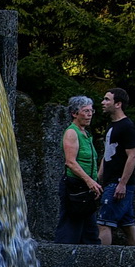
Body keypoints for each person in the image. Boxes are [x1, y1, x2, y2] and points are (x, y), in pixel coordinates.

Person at [96, 88, 135, 245]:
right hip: (110, 181)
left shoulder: (127, 126)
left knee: (103, 223)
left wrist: (122, 183)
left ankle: (101, 259)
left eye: (107, 99)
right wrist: (98, 178)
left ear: (118, 104)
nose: (103, 102)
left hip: (118, 184)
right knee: (128, 225)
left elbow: (132, 156)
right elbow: (107, 154)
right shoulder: (111, 126)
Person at [54, 95, 101, 244]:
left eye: (91, 111)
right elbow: (70, 162)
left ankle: (91, 254)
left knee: (90, 230)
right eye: (85, 111)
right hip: (75, 186)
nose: (89, 114)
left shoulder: (85, 134)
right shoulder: (72, 133)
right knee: (70, 227)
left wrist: (93, 182)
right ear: (74, 113)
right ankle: (62, 254)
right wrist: (89, 181)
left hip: (86, 186)